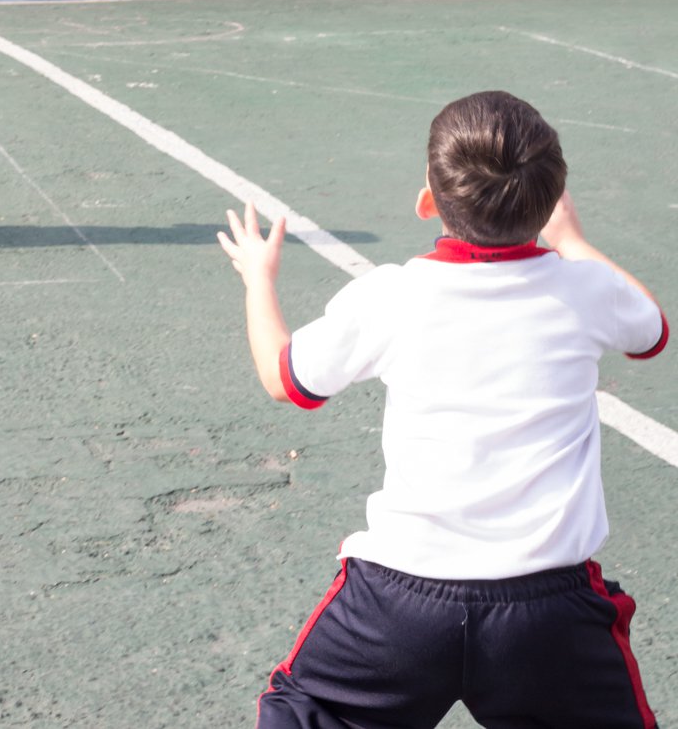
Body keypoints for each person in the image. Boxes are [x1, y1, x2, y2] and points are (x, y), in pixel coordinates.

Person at [218, 90, 667, 729]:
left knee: (306, 711)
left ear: (428, 198)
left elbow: (285, 378)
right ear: (549, 201)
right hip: (548, 614)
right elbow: (651, 331)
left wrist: (258, 279)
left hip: (397, 604)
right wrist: (573, 241)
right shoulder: (589, 289)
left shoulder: (391, 296)